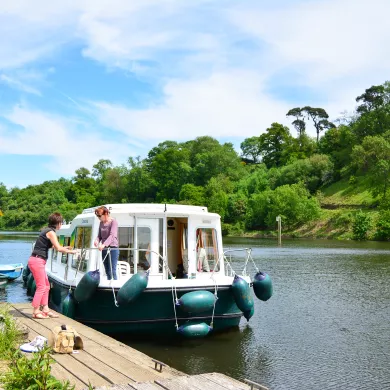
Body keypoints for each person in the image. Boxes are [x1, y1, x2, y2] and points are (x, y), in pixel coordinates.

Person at [28, 213, 76, 319]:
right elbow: (58, 249)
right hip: (37, 260)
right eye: (61, 223)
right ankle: (36, 311)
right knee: (41, 286)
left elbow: (55, 247)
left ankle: (45, 309)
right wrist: (72, 252)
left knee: (46, 286)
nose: (61, 225)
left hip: (38, 260)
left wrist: (66, 248)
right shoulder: (51, 232)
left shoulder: (48, 231)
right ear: (58, 223)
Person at [94, 206, 119, 280]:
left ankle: (114, 285)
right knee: (107, 269)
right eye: (97, 216)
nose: (98, 217)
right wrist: (97, 240)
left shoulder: (113, 222)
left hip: (113, 248)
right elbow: (99, 236)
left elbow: (112, 235)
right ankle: (109, 283)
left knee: (112, 270)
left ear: (106, 214)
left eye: (99, 215)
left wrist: (104, 244)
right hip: (104, 248)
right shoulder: (101, 223)